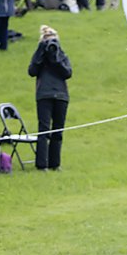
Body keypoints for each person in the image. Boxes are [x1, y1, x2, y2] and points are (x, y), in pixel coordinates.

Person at [28, 25, 72, 169]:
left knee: (58, 131)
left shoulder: (62, 55)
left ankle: (55, 164)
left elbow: (67, 73)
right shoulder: (39, 57)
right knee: (44, 130)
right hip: (44, 94)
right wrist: (41, 51)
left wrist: (56, 58)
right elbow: (32, 71)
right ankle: (41, 165)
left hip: (61, 95)